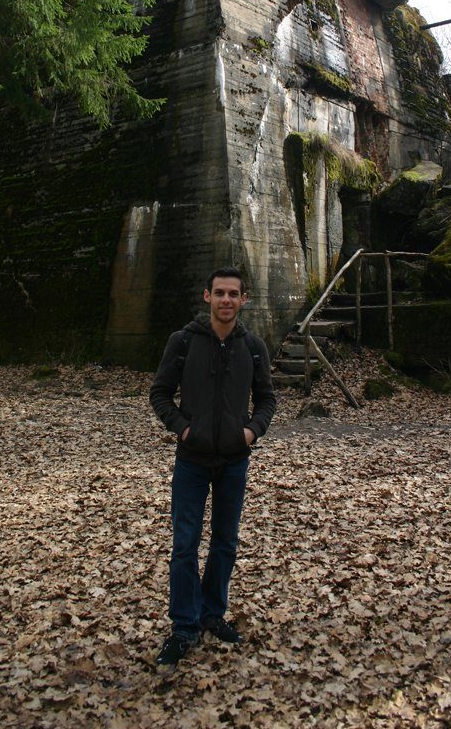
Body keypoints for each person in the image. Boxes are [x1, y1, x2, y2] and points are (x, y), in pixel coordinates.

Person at [149, 267, 276, 669]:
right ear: (207, 297)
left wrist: (251, 433)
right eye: (219, 293)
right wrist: (183, 429)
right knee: (184, 545)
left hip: (235, 461)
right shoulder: (183, 341)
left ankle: (212, 614)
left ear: (243, 299)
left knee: (225, 542)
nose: (226, 300)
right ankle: (184, 626)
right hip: (192, 461)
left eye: (233, 294)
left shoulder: (253, 346)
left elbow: (268, 400)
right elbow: (160, 394)